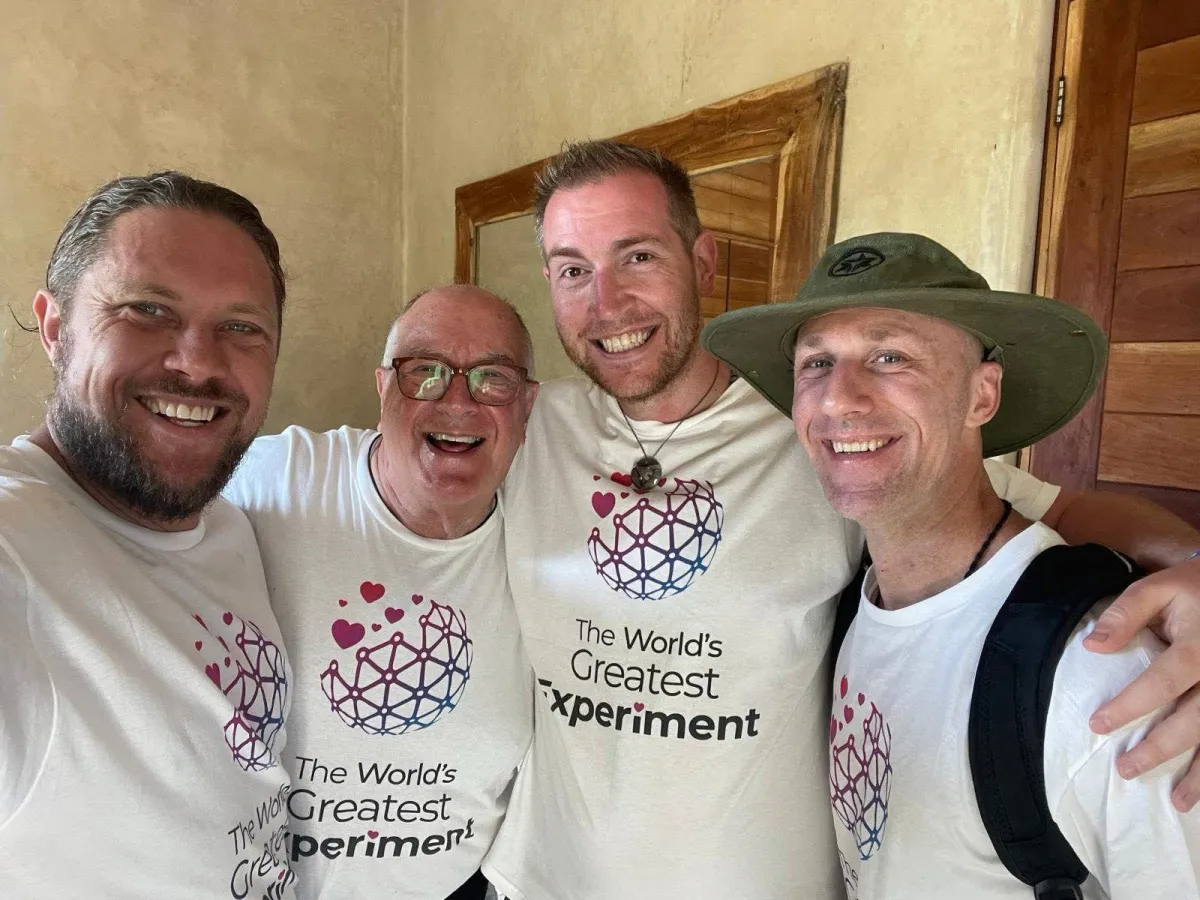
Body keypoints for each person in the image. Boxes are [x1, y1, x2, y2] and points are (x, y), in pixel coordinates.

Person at [480, 140, 1200, 900]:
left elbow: (1062, 512)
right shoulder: (527, 426)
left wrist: (1195, 574)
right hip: (542, 882)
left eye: (637, 257)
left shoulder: (827, 435)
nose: (607, 302)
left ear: (702, 261)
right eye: (573, 270)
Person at [701, 230, 1200, 897]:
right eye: (816, 363)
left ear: (981, 396)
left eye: (889, 356)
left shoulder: (1102, 679)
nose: (839, 398)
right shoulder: (859, 599)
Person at [0, 173, 297, 896]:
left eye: (241, 327)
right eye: (147, 309)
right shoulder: (17, 548)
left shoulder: (226, 524)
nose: (198, 363)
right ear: (55, 327)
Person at [225, 285, 537, 900]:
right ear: (383, 387)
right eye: (424, 371)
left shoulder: (549, 532)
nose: (457, 400)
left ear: (527, 405)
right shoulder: (269, 481)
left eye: (493, 378)